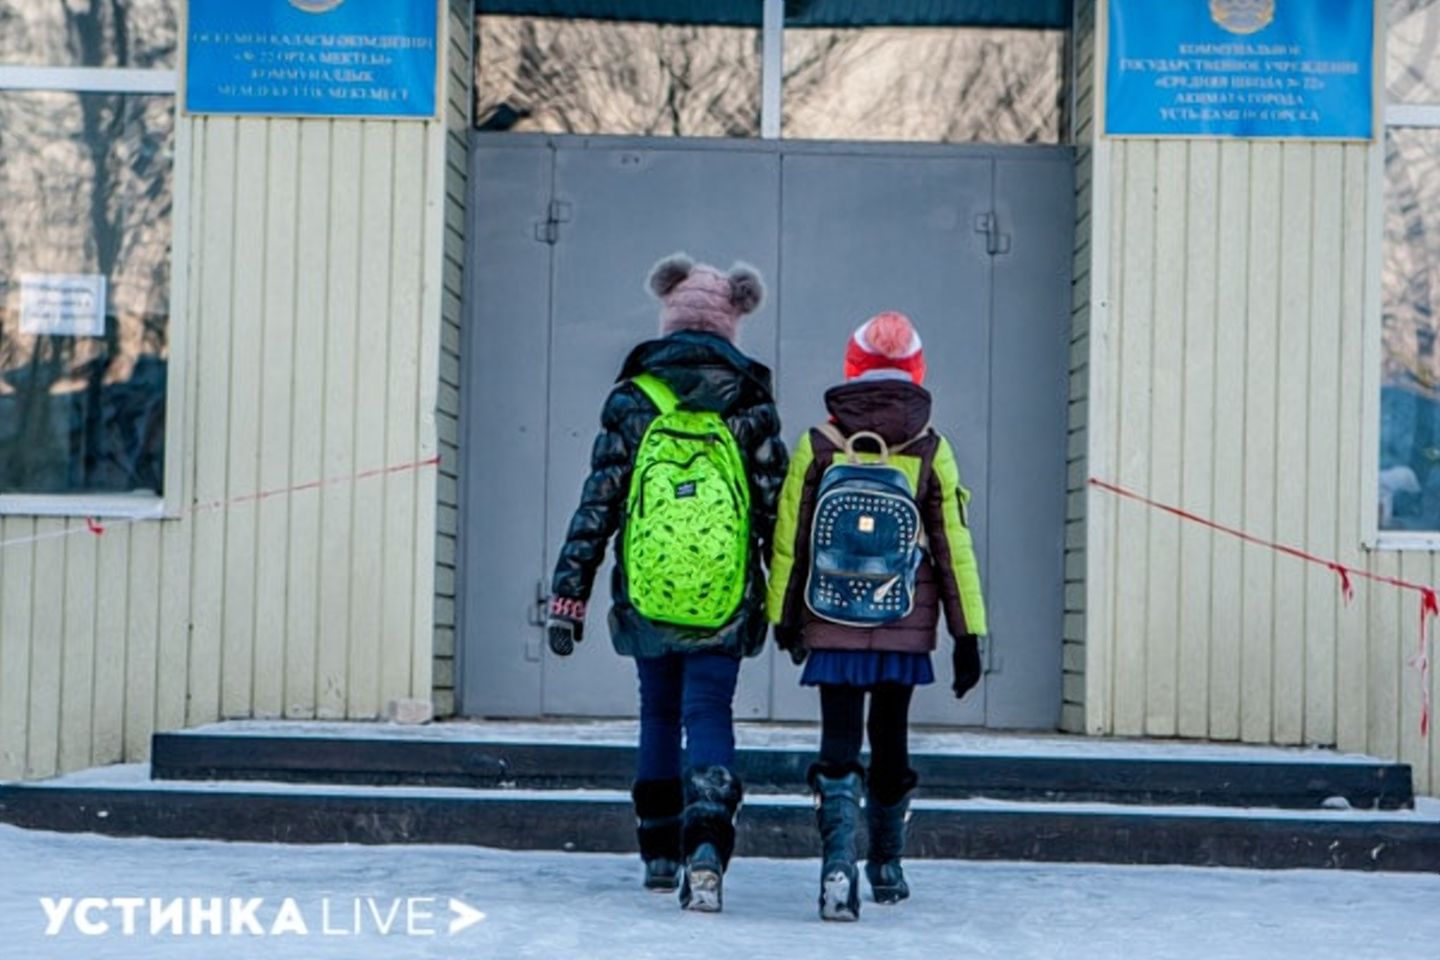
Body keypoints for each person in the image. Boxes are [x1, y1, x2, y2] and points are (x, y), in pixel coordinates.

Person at [545, 253, 788, 913]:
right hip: (725, 597)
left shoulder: (634, 397)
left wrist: (569, 597)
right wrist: (788, 600)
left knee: (657, 710)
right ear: (733, 321)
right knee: (709, 712)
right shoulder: (750, 400)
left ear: (670, 316)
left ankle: (657, 853)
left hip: (647, 594)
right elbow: (775, 513)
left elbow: (598, 505)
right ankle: (706, 849)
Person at [766, 310, 987, 921]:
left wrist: (783, 614)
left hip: (831, 619)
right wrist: (969, 634)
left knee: (837, 745)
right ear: (915, 371)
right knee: (891, 740)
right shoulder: (930, 448)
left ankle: (838, 863)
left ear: (852, 369)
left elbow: (793, 538)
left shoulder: (819, 443)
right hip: (903, 624)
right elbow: (951, 548)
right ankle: (886, 865)